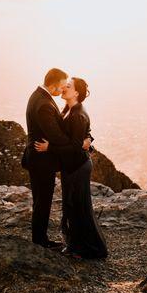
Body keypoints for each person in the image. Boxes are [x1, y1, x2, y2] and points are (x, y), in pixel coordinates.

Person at [34, 77, 108, 259]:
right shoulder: (69, 109)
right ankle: (76, 245)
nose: (64, 87)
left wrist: (49, 147)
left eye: (68, 86)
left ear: (76, 93)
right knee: (72, 206)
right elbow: (83, 136)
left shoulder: (77, 114)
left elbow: (75, 145)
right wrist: (88, 140)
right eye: (65, 84)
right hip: (72, 165)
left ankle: (88, 249)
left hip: (78, 166)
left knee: (78, 207)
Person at [21, 68, 92, 248]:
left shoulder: (39, 96)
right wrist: (78, 143)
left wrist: (87, 139)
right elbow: (56, 136)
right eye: (60, 87)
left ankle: (40, 238)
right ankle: (40, 241)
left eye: (66, 87)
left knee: (41, 200)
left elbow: (76, 126)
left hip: (41, 159)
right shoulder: (44, 103)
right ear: (52, 85)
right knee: (43, 201)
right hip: (41, 161)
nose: (61, 90)